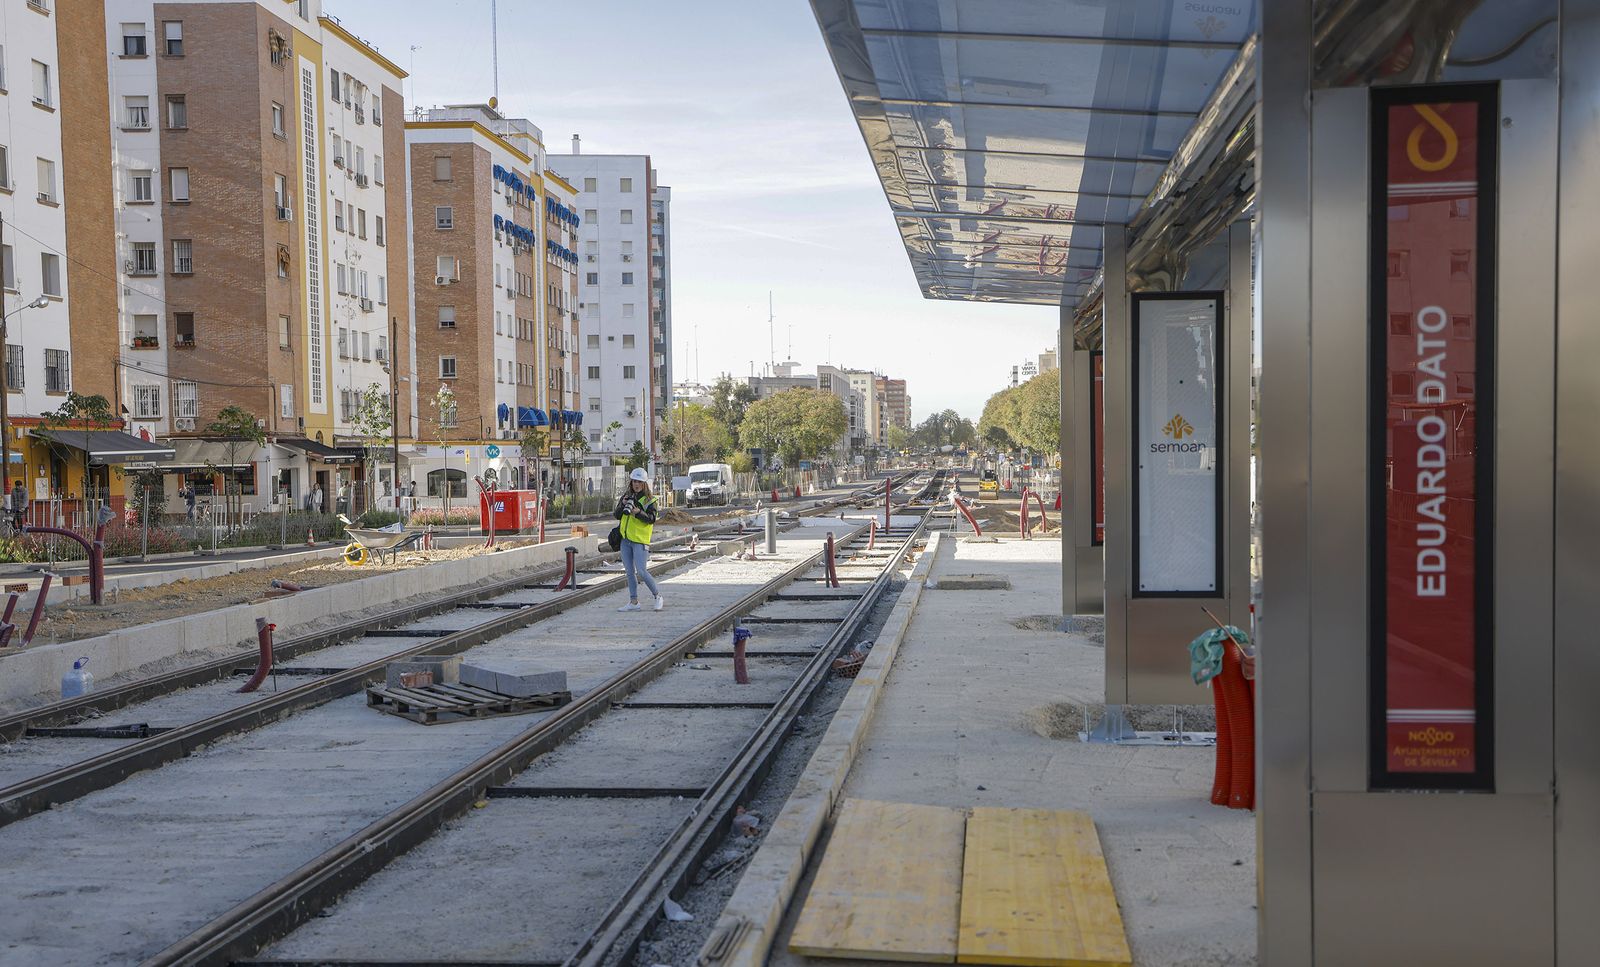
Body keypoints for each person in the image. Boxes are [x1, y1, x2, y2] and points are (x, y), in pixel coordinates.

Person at [614, 467, 663, 612]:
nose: (636, 484)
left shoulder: (650, 500)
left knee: (641, 571)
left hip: (640, 541)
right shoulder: (627, 496)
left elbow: (651, 519)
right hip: (625, 540)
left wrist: (638, 512)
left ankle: (658, 596)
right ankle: (634, 602)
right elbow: (616, 515)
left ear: (644, 483)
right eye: (634, 481)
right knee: (629, 572)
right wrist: (623, 505)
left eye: (639, 482)